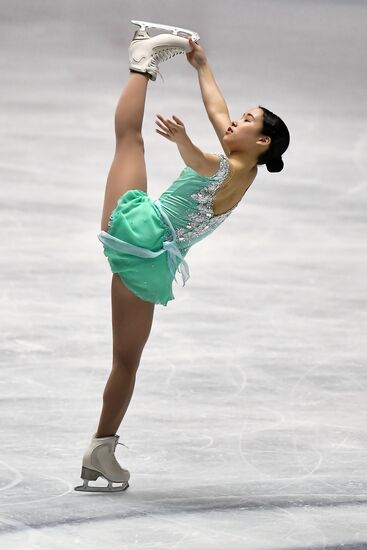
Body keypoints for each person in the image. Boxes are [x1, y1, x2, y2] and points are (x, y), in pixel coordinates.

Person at [74, 21, 291, 492]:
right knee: (126, 362)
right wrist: (203, 66)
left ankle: (142, 62)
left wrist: (182, 141)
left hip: (143, 232)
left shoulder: (226, 164)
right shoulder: (247, 169)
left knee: (130, 138)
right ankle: (101, 448)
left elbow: (200, 160)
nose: (235, 122)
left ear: (262, 143)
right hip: (153, 262)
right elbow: (219, 110)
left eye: (248, 121)